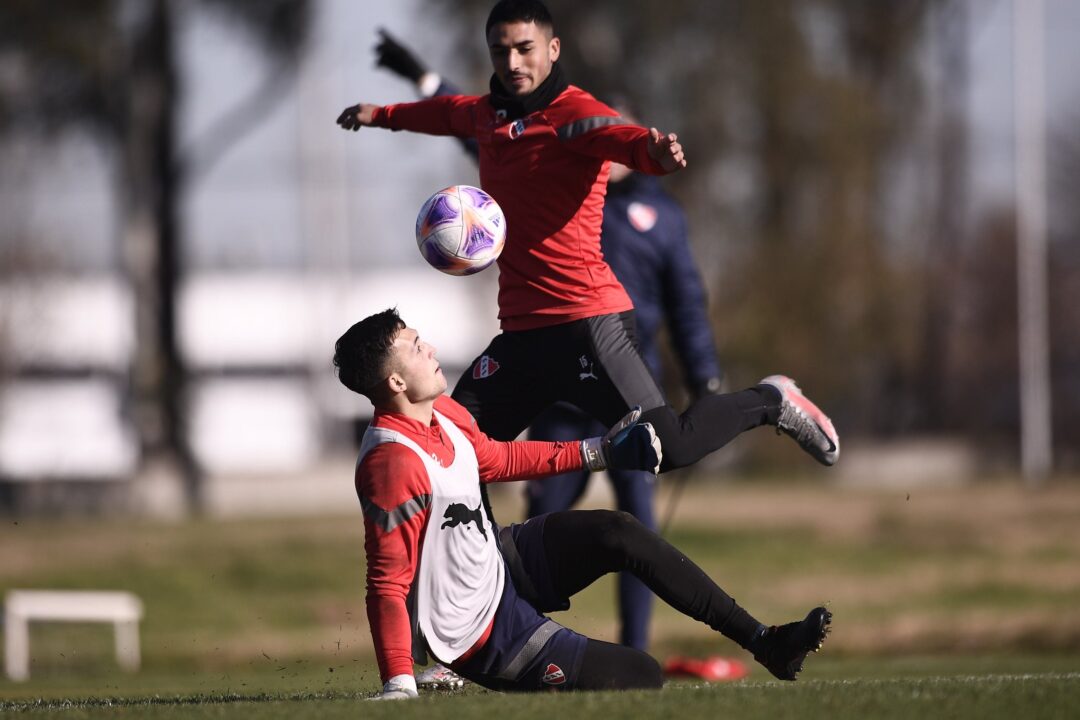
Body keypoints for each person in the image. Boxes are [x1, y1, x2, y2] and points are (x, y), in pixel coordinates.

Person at [338, 0, 839, 486]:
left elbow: (622, 138)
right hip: (522, 337)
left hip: (589, 326)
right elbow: (445, 113)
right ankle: (490, 571)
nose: (512, 62)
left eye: (524, 48)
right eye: (500, 51)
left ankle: (772, 401)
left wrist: (654, 152)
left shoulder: (576, 113)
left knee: (669, 448)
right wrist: (380, 113)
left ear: (553, 49)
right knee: (454, 448)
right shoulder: (487, 115)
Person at [372, 28, 725, 655]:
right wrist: (419, 80)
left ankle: (637, 647)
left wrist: (705, 374)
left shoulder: (658, 216)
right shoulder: (537, 165)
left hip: (616, 379)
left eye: (613, 136)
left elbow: (687, 301)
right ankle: (513, 636)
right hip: (551, 403)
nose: (602, 145)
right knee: (531, 528)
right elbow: (467, 120)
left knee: (638, 525)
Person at [333, 308, 831, 697]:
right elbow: (387, 583)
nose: (432, 349)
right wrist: (398, 682)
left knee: (619, 531)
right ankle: (448, 678)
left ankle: (768, 644)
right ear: (396, 382)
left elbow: (496, 459)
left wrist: (602, 451)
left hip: (500, 563)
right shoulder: (391, 463)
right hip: (481, 635)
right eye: (418, 348)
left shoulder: (445, 413)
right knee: (641, 676)